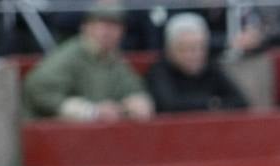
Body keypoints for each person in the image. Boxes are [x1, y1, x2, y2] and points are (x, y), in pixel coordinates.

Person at [22, 1, 154, 121]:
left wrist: (136, 102)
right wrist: (89, 110)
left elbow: (132, 88)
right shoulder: (70, 55)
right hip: (58, 139)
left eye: (114, 27)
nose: (108, 32)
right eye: (102, 25)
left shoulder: (115, 59)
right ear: (86, 27)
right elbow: (36, 89)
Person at [145, 14, 249, 114]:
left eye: (199, 48)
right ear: (170, 50)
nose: (194, 55)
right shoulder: (160, 71)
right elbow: (169, 105)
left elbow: (241, 101)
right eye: (185, 49)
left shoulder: (210, 68)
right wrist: (211, 104)